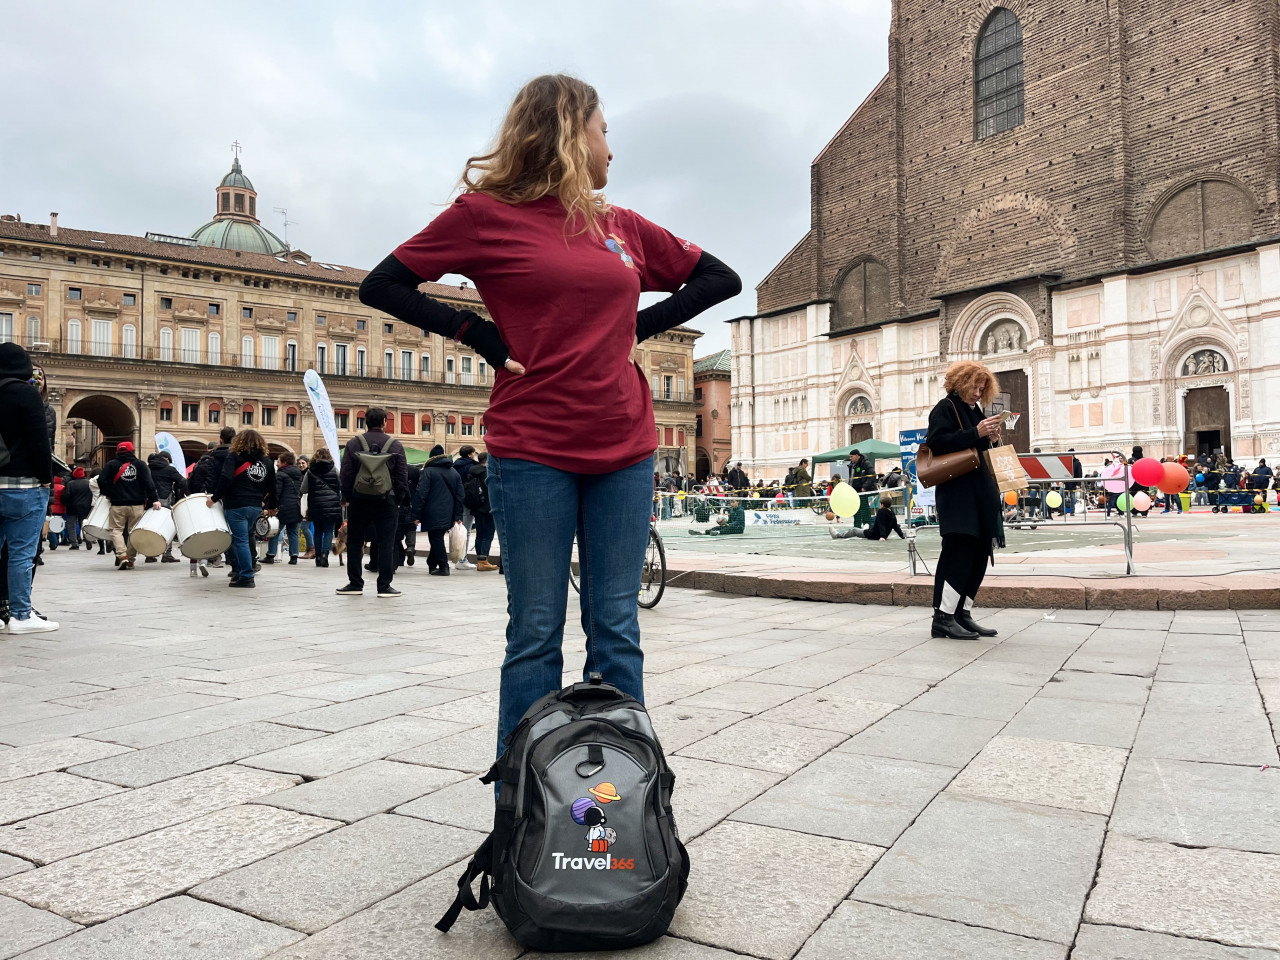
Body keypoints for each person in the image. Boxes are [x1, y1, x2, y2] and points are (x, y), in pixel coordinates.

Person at [358, 73, 740, 750]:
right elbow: (382, 283)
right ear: (569, 130)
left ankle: (620, 800)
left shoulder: (620, 225)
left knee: (616, 626)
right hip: (532, 446)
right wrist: (477, 335)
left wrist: (641, 328)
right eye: (603, 130)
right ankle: (525, 806)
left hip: (624, 444)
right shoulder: (482, 217)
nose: (611, 150)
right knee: (535, 629)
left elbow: (719, 278)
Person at [925, 361, 1005, 640]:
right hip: (957, 496)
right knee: (958, 552)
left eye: (983, 388)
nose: (978, 392)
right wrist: (976, 433)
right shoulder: (945, 408)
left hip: (978, 494)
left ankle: (963, 613)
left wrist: (990, 437)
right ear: (960, 383)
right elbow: (937, 443)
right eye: (974, 386)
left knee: (979, 553)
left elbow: (974, 446)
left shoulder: (975, 411)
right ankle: (943, 618)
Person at [0, 342, 58, 633]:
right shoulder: (26, 393)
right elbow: (40, 442)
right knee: (22, 554)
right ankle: (21, 616)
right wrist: (46, 478)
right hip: (24, 486)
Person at [337, 407, 408, 598]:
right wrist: (398, 499)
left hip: (359, 499)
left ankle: (355, 583)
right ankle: (384, 586)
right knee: (386, 542)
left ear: (365, 422)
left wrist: (350, 497)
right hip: (387, 500)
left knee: (354, 541)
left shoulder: (353, 444)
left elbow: (345, 475)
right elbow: (402, 476)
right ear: (385, 421)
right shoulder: (394, 445)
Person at [207, 428, 276, 588]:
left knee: (240, 541)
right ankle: (240, 571)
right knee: (245, 538)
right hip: (255, 506)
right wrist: (272, 505)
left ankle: (246, 576)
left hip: (236, 505)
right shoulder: (267, 461)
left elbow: (225, 479)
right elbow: (272, 485)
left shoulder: (234, 456)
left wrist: (214, 498)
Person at [98, 441, 160, 571]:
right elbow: (148, 483)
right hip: (137, 504)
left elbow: (101, 481)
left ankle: (122, 555)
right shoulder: (140, 465)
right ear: (132, 451)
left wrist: (110, 493)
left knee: (116, 530)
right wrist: (154, 499)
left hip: (117, 504)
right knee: (134, 532)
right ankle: (130, 560)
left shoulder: (111, 465)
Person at [189, 429, 236, 569]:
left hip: (211, 498)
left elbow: (199, 482)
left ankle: (211, 556)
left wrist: (209, 496)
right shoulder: (238, 457)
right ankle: (232, 561)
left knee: (211, 528)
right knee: (234, 531)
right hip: (234, 497)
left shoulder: (209, 460)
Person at [417, 444, 465, 575]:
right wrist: (457, 515)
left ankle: (444, 566)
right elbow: (460, 495)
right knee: (437, 537)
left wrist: (415, 514)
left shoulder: (427, 472)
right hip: (449, 512)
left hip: (432, 511)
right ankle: (431, 563)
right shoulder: (454, 472)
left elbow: (421, 494)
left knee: (435, 537)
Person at [300, 447, 342, 567]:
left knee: (318, 531)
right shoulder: (334, 470)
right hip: (332, 505)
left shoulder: (310, 471)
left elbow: (303, 489)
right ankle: (324, 555)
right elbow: (341, 485)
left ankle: (318, 557)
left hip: (316, 505)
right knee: (329, 530)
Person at [146, 450, 188, 563]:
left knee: (150, 527)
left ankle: (149, 554)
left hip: (149, 501)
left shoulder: (147, 468)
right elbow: (183, 482)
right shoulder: (169, 469)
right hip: (165, 501)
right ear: (167, 460)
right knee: (167, 526)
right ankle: (167, 554)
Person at [265, 451, 303, 565]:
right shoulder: (298, 474)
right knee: (293, 532)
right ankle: (294, 556)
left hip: (283, 507)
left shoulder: (280, 475)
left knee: (275, 531)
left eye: (279, 461)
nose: (277, 464)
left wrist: (271, 507)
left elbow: (276, 493)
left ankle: (271, 555)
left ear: (284, 462)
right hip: (295, 506)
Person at [466, 452, 498, 571]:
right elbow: (491, 490)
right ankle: (483, 561)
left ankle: (480, 559)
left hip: (476, 506)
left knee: (479, 534)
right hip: (487, 507)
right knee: (488, 534)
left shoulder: (472, 471)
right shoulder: (485, 473)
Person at [452, 445, 479, 570]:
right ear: (469, 454)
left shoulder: (454, 466)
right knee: (466, 530)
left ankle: (459, 558)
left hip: (456, 500)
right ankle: (462, 559)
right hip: (468, 500)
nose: (474, 455)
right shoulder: (472, 467)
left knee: (458, 528)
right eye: (473, 453)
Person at [830, 502, 905, 540]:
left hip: (873, 534)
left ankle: (837, 535)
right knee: (865, 527)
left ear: (882, 505)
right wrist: (902, 536)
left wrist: (882, 536)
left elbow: (880, 523)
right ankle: (864, 528)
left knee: (853, 531)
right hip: (877, 533)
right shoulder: (892, 513)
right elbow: (895, 526)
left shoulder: (881, 511)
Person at [63, 466, 92, 550]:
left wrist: (65, 502)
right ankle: (88, 540)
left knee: (71, 525)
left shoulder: (70, 484)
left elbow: (66, 496)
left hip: (72, 508)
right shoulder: (88, 483)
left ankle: (74, 544)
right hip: (85, 507)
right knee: (84, 525)